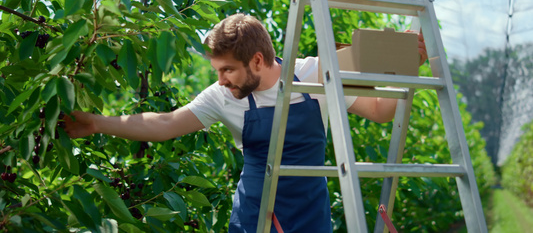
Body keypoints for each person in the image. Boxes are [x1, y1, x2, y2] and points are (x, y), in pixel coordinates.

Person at [65, 13, 428, 232]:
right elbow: (163, 124)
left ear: (257, 61)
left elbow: (380, 110)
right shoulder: (223, 96)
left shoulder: (314, 76)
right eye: (217, 71)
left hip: (310, 216)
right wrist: (96, 122)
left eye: (227, 70)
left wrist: (407, 58)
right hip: (254, 218)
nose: (221, 79)